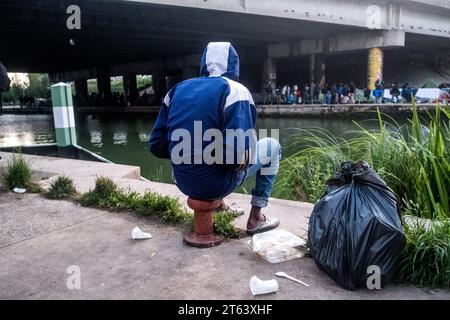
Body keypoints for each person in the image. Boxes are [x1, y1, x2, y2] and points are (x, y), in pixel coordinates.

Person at [149, 42, 281, 235]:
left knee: (210, 143)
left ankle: (221, 206)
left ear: (203, 63)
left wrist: (190, 152)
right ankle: (255, 218)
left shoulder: (176, 90)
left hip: (182, 181)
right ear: (234, 65)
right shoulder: (235, 90)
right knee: (272, 145)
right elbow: (235, 158)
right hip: (217, 184)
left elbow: (156, 145)